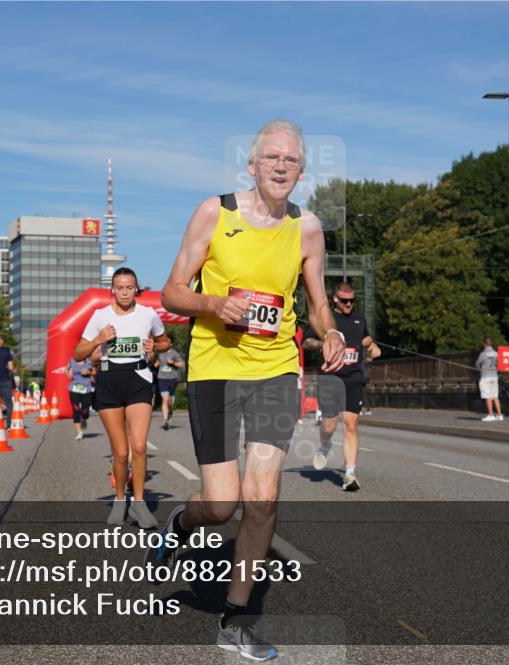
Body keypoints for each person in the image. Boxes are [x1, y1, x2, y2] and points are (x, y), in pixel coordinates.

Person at [147, 119, 344, 660]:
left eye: (292, 160)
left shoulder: (308, 228)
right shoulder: (215, 212)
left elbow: (318, 302)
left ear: (301, 170)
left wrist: (329, 335)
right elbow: (172, 291)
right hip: (215, 369)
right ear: (252, 165)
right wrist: (214, 304)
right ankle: (182, 523)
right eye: (272, 158)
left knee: (262, 498)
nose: (281, 166)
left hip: (277, 370)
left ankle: (233, 622)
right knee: (221, 503)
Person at [74, 267, 171, 528]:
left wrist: (155, 347)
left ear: (136, 289)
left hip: (139, 380)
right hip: (108, 381)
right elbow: (78, 354)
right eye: (120, 287)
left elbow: (166, 342)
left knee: (138, 446)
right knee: (120, 453)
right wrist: (98, 339)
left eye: (130, 287)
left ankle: (140, 505)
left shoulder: (148, 314)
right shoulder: (99, 315)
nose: (125, 291)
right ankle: (120, 501)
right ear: (113, 290)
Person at [303, 281, 381, 491]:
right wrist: (325, 343)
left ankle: (349, 474)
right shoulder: (326, 320)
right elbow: (306, 342)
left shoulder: (358, 317)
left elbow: (364, 337)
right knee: (329, 425)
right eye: (345, 301)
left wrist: (372, 345)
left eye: (352, 301)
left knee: (350, 424)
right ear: (334, 299)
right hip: (330, 377)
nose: (349, 304)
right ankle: (325, 445)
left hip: (353, 377)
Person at [66, 354, 95, 439]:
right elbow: (66, 370)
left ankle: (84, 418)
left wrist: (89, 372)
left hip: (87, 388)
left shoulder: (89, 361)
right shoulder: (71, 361)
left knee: (85, 410)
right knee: (76, 409)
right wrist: (69, 374)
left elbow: (94, 372)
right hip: (74, 388)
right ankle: (79, 432)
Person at [156, 346, 185, 430]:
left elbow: (182, 364)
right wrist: (156, 363)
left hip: (172, 380)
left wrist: (173, 363)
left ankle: (170, 411)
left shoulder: (174, 353)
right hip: (162, 379)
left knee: (170, 402)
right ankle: (165, 421)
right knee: (165, 400)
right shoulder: (160, 353)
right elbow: (156, 362)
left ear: (170, 343)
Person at [476, 337, 502, 422]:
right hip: (494, 376)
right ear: (490, 344)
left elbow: (477, 364)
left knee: (487, 396)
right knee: (495, 396)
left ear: (484, 344)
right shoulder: (496, 353)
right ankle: (499, 415)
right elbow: (499, 365)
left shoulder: (483, 354)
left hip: (486, 377)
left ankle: (490, 415)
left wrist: (480, 368)